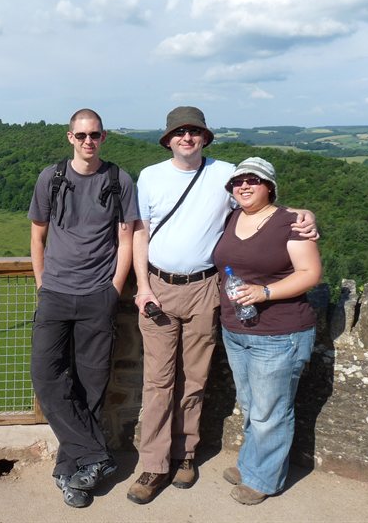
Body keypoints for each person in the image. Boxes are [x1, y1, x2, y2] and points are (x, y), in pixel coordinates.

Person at [128, 106, 316, 505]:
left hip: (205, 288)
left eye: (194, 132)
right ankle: (153, 464)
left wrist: (305, 214)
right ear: (167, 139)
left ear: (205, 138)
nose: (187, 138)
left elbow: (262, 209)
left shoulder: (225, 174)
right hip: (159, 286)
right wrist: (142, 286)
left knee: (194, 379)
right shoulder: (150, 176)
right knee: (158, 381)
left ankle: (186, 454)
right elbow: (139, 234)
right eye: (179, 132)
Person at [28, 108, 139, 508]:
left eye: (94, 135)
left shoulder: (119, 179)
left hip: (98, 296)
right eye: (81, 135)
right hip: (56, 293)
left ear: (104, 137)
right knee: (45, 375)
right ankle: (95, 454)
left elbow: (126, 239)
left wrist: (113, 288)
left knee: (91, 385)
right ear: (69, 137)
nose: (88, 141)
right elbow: (37, 236)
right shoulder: (51, 178)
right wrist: (43, 283)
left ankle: (71, 474)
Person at [213, 157, 322, 505]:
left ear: (270, 186)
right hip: (237, 328)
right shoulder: (234, 217)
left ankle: (264, 479)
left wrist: (265, 292)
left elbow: (309, 272)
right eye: (238, 181)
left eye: (254, 181)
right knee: (250, 404)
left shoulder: (290, 223)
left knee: (270, 410)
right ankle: (250, 464)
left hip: (279, 333)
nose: (244, 186)